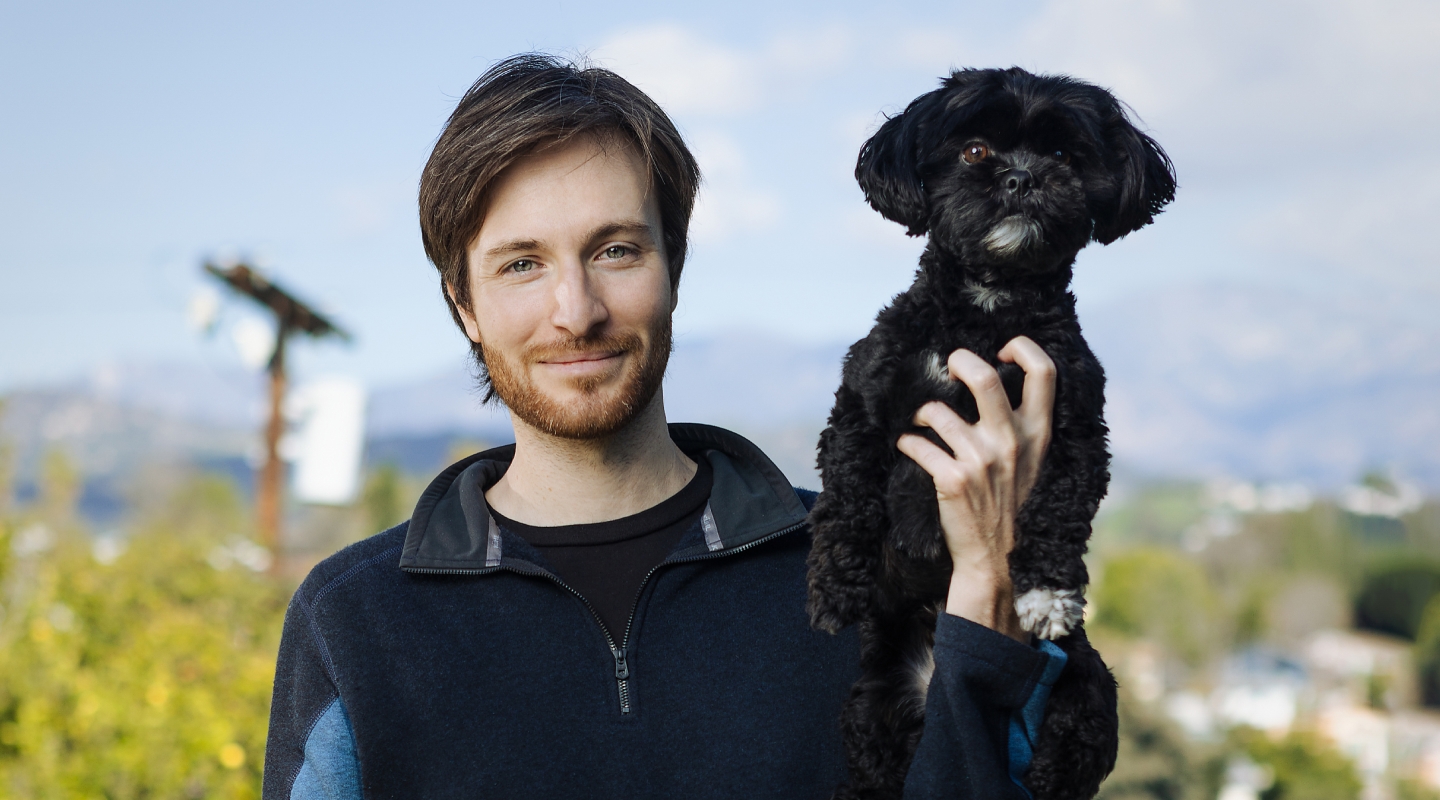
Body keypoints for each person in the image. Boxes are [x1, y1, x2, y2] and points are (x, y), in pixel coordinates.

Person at [263, 54, 1064, 800]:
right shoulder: (355, 619)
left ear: (673, 268)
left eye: (614, 250)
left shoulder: (881, 566)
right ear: (464, 305)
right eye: (521, 264)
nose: (574, 312)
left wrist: (989, 587)